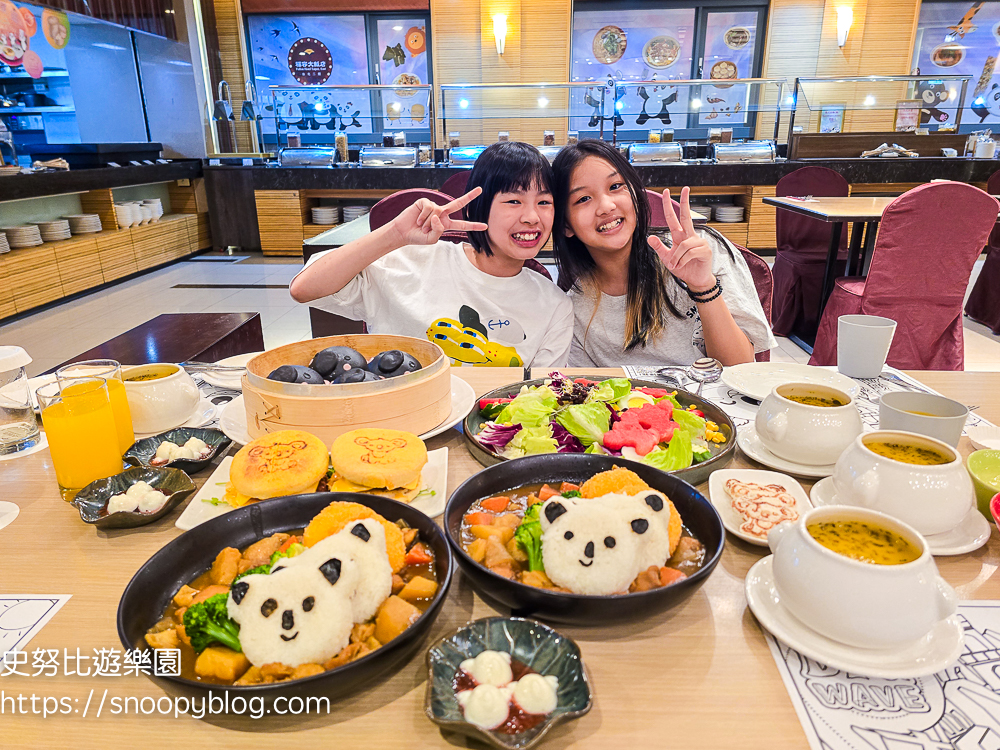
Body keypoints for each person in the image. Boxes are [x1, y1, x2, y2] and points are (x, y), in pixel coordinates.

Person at [290, 141, 573, 368]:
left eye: (544, 202)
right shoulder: (414, 260)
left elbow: (540, 394)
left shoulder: (554, 305)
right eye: (514, 200)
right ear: (478, 207)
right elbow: (304, 289)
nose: (532, 217)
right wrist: (394, 235)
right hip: (395, 429)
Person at [551, 139, 775, 367]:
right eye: (583, 199)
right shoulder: (574, 309)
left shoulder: (701, 251)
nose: (606, 206)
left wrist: (703, 286)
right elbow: (589, 393)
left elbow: (740, 367)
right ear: (565, 225)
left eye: (615, 186)